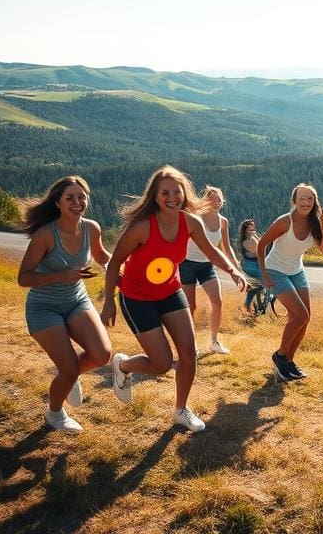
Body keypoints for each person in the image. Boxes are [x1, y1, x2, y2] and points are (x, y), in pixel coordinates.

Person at [101, 166, 245, 433]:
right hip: (137, 299)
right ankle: (123, 365)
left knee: (189, 353)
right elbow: (114, 263)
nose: (171, 197)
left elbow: (211, 251)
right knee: (162, 364)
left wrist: (233, 270)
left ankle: (181, 410)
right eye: (164, 192)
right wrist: (108, 300)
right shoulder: (141, 227)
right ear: (155, 196)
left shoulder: (191, 222)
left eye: (176, 191)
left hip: (170, 292)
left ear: (184, 194)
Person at [17, 176, 112, 434]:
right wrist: (61, 275)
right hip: (44, 307)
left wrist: (123, 264)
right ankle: (55, 413)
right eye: (70, 197)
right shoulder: (46, 235)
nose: (77, 202)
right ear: (58, 203)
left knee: (102, 355)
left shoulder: (91, 228)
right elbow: (23, 278)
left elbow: (103, 256)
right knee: (69, 368)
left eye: (82, 197)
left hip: (76, 300)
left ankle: (67, 378)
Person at [257, 183, 323, 381]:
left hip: (296, 271)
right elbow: (262, 244)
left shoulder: (316, 223)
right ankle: (280, 356)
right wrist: (263, 273)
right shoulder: (285, 222)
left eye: (310, 199)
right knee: (299, 315)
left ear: (314, 202)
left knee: (304, 318)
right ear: (294, 201)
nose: (306, 202)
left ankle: (288, 363)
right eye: (302, 198)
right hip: (275, 270)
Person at [180, 186, 246, 353]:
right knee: (191, 306)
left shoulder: (223, 221)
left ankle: (214, 342)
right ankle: (189, 343)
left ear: (223, 201)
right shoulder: (196, 218)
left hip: (206, 265)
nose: (216, 202)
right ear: (205, 200)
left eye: (219, 199)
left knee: (217, 301)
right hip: (187, 264)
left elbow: (226, 247)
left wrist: (235, 268)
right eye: (212, 199)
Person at [237, 219, 262, 314]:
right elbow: (260, 249)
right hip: (251, 265)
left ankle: (247, 306)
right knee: (260, 285)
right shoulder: (248, 241)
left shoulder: (249, 239)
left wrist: (255, 235)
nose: (253, 231)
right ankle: (250, 306)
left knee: (255, 286)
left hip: (250, 263)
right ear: (245, 231)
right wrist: (255, 236)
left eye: (253, 229)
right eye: (250, 230)